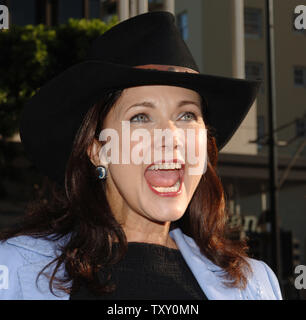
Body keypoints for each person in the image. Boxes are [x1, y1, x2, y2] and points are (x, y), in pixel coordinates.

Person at [0, 11, 282, 300]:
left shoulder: (254, 285)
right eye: (140, 118)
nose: (171, 137)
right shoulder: (13, 272)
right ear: (97, 150)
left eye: (187, 115)